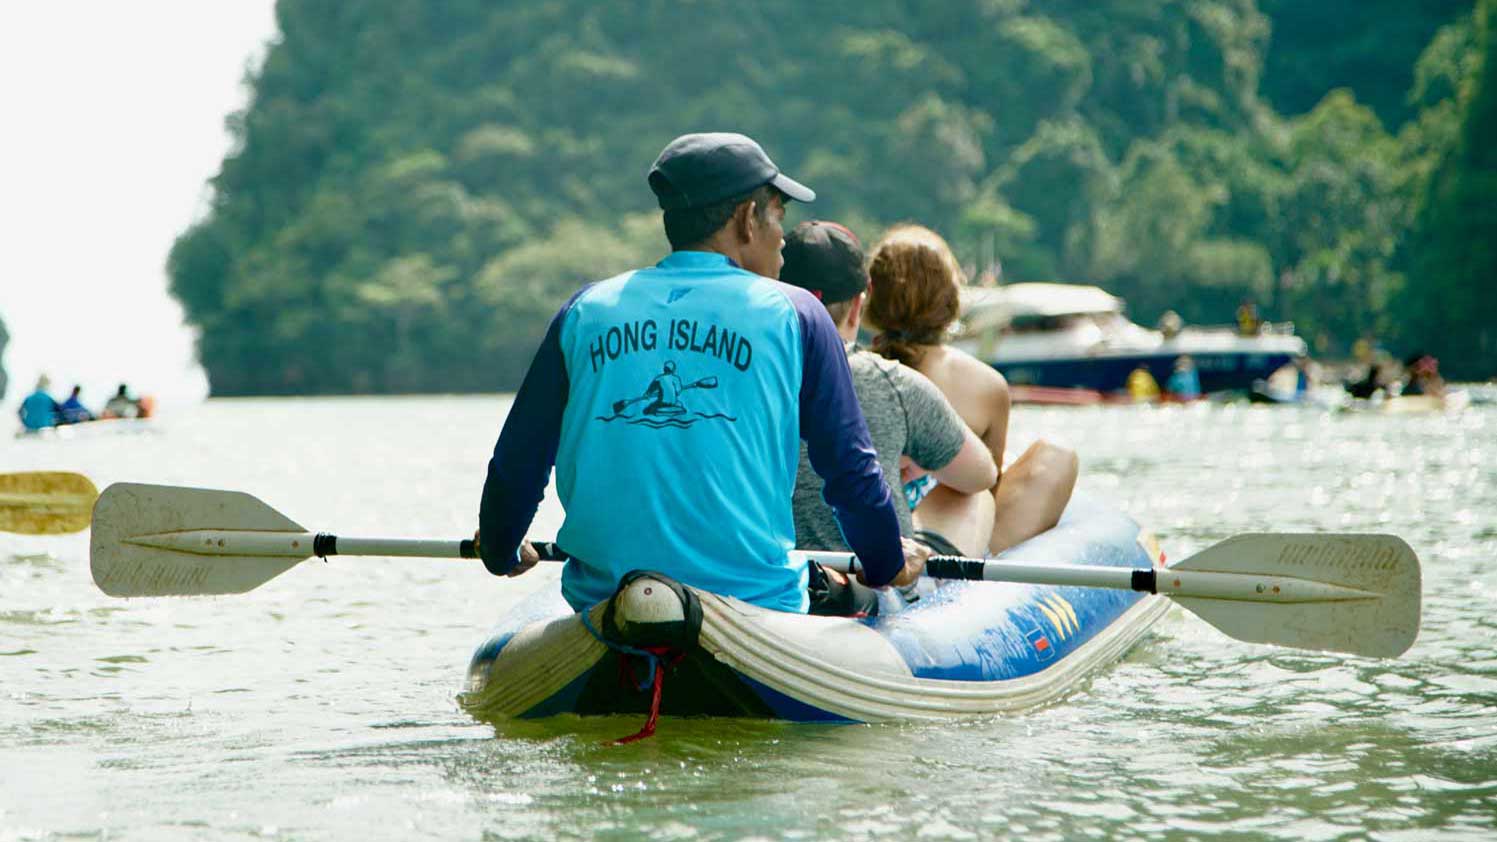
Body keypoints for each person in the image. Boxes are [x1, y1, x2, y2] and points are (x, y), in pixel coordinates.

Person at [476, 132, 924, 616]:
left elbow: (518, 461)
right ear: (746, 219)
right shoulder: (798, 314)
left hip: (603, 601)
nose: (782, 242)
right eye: (778, 216)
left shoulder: (586, 310)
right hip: (755, 605)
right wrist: (885, 564)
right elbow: (851, 472)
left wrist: (501, 549)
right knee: (876, 606)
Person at [779, 221, 998, 602]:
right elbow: (982, 474)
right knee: (976, 496)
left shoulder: (743, 375)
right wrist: (922, 462)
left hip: (773, 573)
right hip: (875, 587)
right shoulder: (891, 382)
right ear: (858, 305)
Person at [864, 224, 1079, 556]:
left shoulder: (853, 372)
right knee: (1057, 456)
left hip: (878, 528)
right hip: (951, 540)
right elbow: (988, 490)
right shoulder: (985, 383)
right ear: (950, 298)